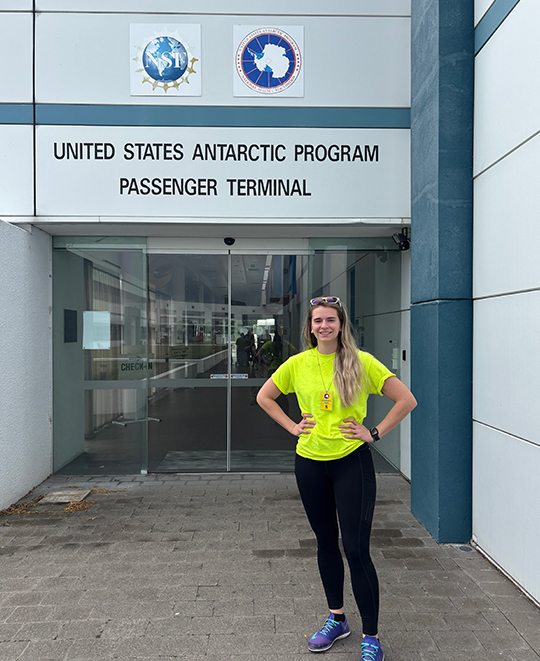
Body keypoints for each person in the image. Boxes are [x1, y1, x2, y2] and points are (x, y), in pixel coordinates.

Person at [257, 296, 416, 660]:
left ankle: (371, 636)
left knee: (356, 549)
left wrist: (373, 433)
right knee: (326, 543)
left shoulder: (363, 363)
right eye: (318, 321)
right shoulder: (297, 364)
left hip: (351, 464)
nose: (324, 326)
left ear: (341, 325)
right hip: (310, 463)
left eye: (330, 320)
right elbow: (265, 397)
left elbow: (406, 400)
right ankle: (337, 619)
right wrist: (293, 427)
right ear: (310, 327)